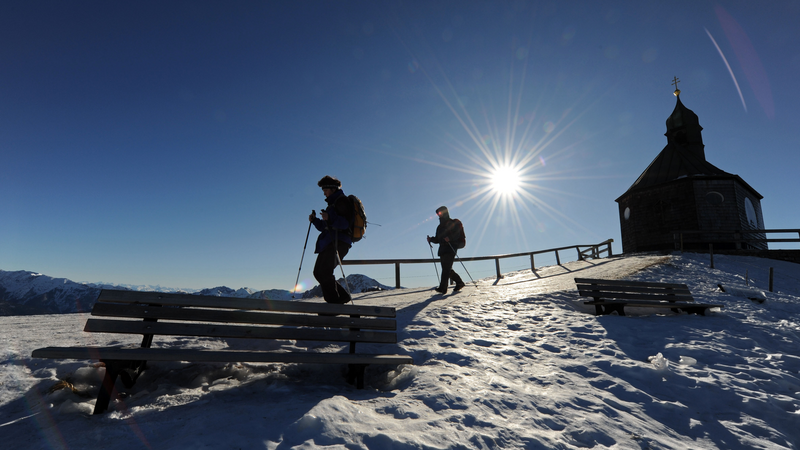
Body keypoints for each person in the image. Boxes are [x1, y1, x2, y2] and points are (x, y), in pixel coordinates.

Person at [309, 175, 352, 304]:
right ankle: (342, 297)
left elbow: (345, 223)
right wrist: (315, 221)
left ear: (333, 189)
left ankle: (333, 305)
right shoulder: (332, 205)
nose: (324, 194)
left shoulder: (342, 201)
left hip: (339, 242)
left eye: (325, 190)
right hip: (330, 242)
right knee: (318, 272)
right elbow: (326, 227)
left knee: (324, 271)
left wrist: (330, 218)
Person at [427, 206, 466, 294]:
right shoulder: (439, 227)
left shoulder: (453, 222)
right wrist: (431, 239)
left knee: (446, 269)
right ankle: (459, 282)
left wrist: (449, 238)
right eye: (437, 213)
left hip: (451, 247)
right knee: (447, 269)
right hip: (442, 249)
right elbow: (438, 239)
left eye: (440, 213)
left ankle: (442, 288)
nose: (438, 215)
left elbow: (457, 233)